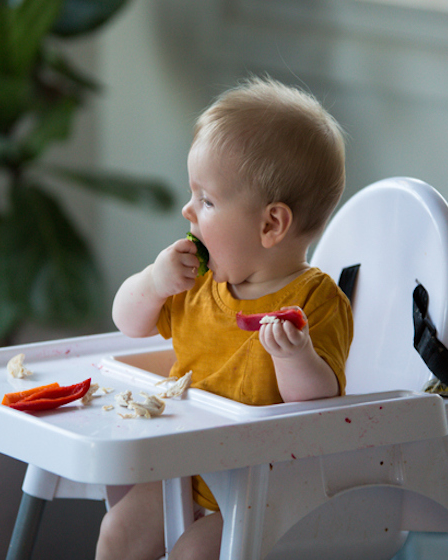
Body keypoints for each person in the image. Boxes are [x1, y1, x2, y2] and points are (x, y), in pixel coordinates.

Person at [95, 76, 354, 560]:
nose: (188, 210)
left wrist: (295, 356)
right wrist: (152, 283)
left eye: (207, 200)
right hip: (187, 471)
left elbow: (320, 402)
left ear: (271, 224)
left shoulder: (314, 300)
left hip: (268, 489)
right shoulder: (197, 281)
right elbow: (127, 322)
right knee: (118, 532)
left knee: (195, 554)